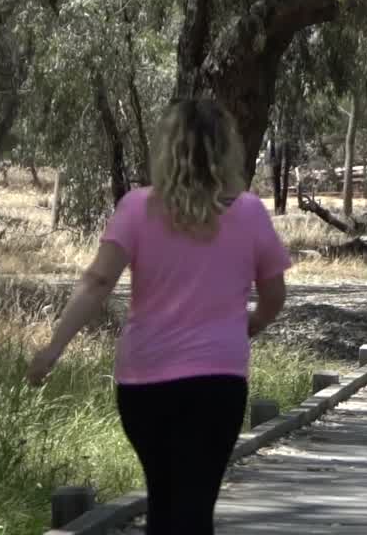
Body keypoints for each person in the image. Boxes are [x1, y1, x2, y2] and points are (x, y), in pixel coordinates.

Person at [27, 99, 290, 535]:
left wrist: (53, 349)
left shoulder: (136, 208)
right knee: (194, 504)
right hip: (217, 382)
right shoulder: (249, 213)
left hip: (145, 383)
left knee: (165, 499)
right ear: (227, 150)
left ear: (167, 150)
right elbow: (274, 295)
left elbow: (96, 283)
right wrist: (251, 325)